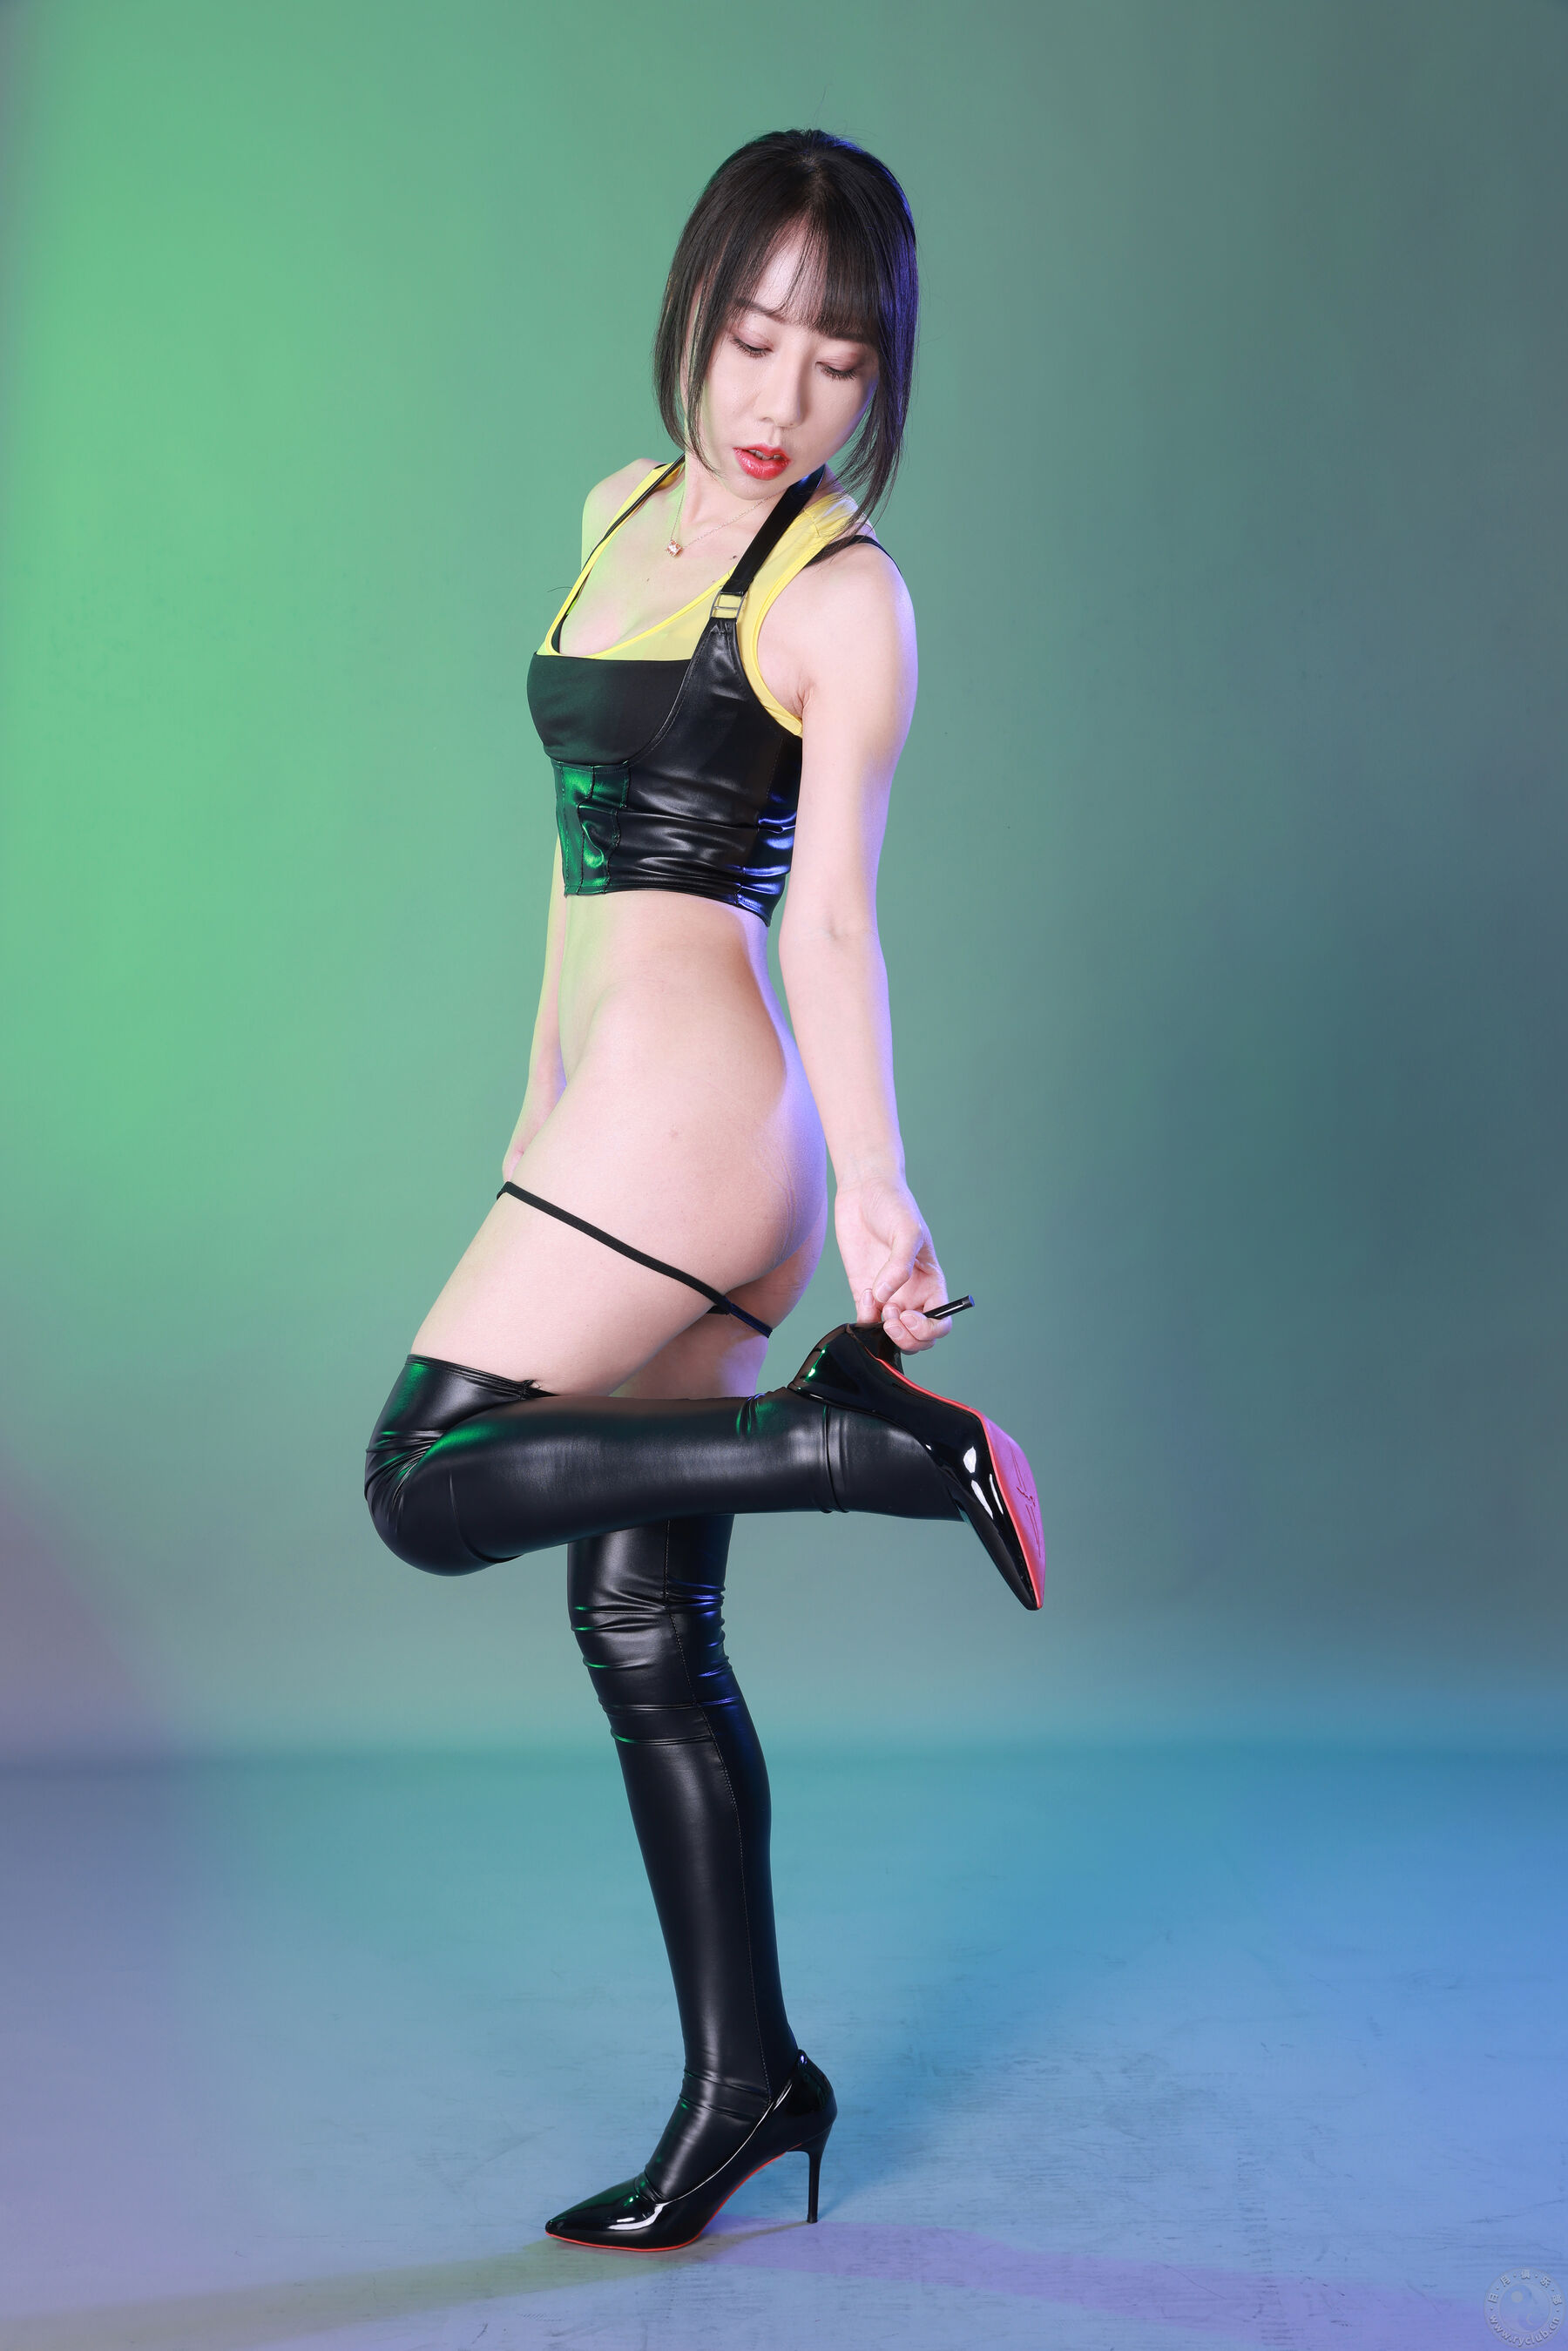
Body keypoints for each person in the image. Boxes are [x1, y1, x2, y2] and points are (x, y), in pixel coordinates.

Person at [364, 128, 1044, 2252]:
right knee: (642, 1622)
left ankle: (852, 1445)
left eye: (837, 362)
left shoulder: (848, 599)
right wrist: (537, 1092)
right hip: (625, 1109)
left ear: (883, 375)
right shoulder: (618, 509)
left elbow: (829, 917)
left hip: (719, 1111)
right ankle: (750, 2085)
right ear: (695, 310)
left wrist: (884, 1196)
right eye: (753, 336)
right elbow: (568, 856)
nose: (779, 397)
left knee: (419, 1484)